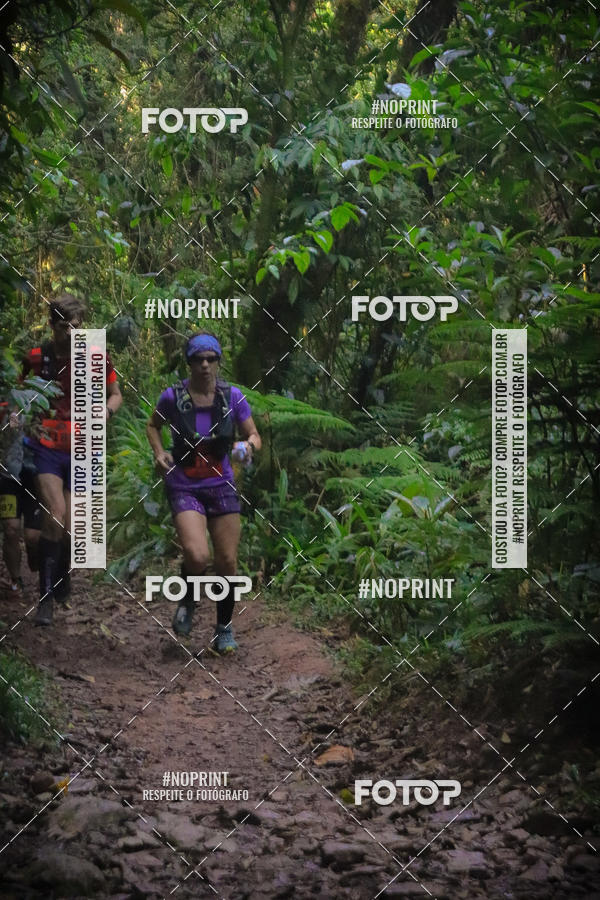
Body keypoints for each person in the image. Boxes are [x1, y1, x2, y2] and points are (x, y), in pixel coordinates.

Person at [146, 332, 261, 653]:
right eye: (199, 359)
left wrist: (247, 445)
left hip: (220, 483)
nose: (205, 365)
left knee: (227, 560)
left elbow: (254, 434)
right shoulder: (173, 397)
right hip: (184, 483)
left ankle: (223, 628)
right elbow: (152, 424)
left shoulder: (232, 397)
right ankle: (188, 598)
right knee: (197, 556)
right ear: (190, 363)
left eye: (211, 359)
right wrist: (158, 453)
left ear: (218, 363)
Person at [22, 293, 123, 625]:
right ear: (52, 325)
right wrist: (23, 420)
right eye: (64, 326)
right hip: (47, 446)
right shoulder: (36, 358)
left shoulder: (96, 355)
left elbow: (115, 393)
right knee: (56, 516)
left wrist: (106, 412)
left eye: (77, 327)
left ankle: (61, 578)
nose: (71, 333)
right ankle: (46, 598)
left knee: (72, 528)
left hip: (83, 446)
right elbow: (18, 395)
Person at [0, 401, 41, 592]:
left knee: (33, 537)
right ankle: (16, 580)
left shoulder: (40, 399)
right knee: (10, 528)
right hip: (7, 475)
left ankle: (35, 560)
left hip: (34, 474)